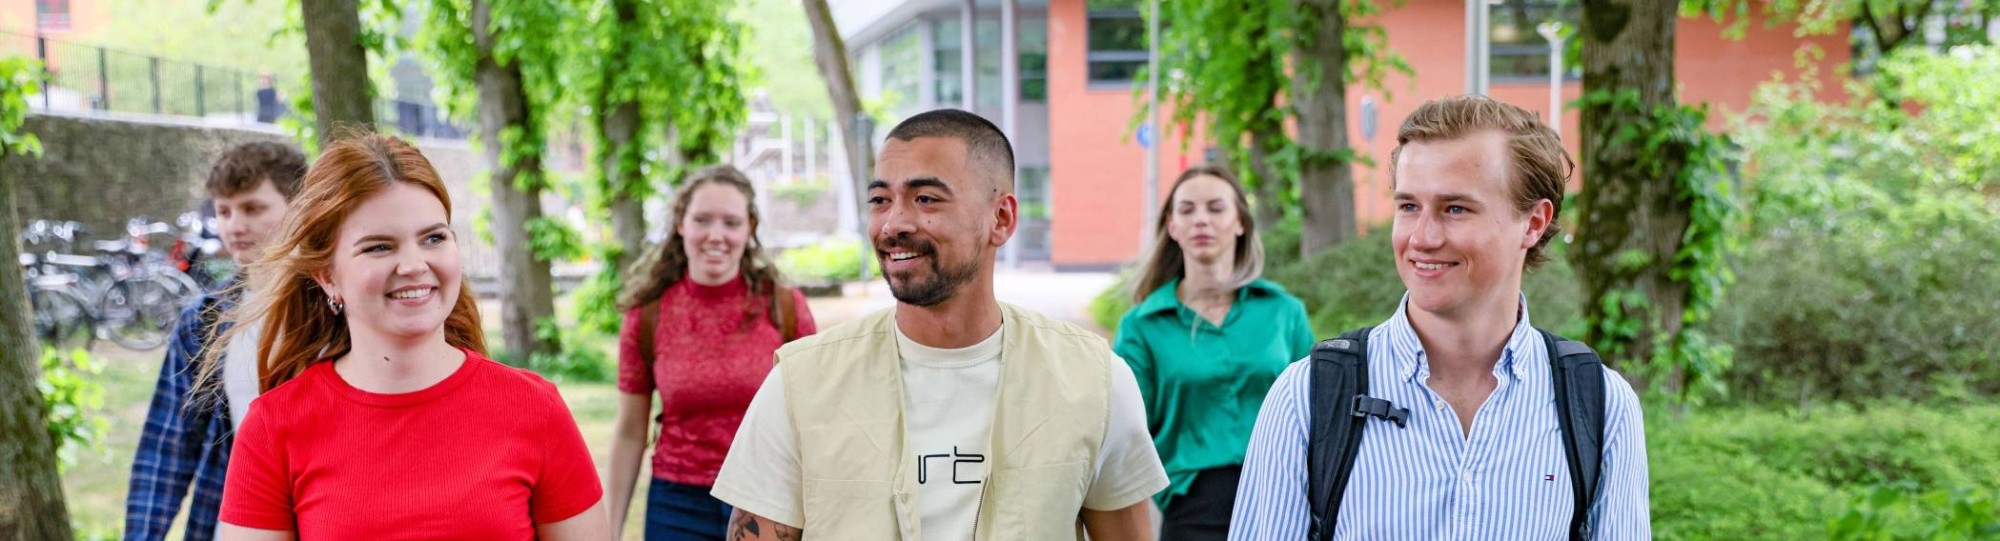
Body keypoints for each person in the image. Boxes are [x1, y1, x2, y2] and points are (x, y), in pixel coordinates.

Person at [711, 109, 1169, 540]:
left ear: (1002, 218)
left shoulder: (1094, 381)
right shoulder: (800, 384)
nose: (893, 223)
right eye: (879, 199)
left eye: (925, 198)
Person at [1228, 95, 1651, 540]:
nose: (1423, 238)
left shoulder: (1600, 405)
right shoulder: (1307, 397)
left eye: (1455, 209)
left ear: (1533, 223)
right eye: (1408, 206)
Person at [210, 135, 607, 540]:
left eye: (434, 238)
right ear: (328, 275)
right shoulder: (274, 427)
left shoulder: (533, 408)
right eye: (379, 246)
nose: (415, 265)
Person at [603, 164, 818, 540]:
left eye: (731, 223)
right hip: (677, 502)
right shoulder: (648, 315)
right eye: (702, 220)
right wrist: (610, 529)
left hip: (766, 499)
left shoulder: (784, 307)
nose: (716, 236)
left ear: (749, 228)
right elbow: (629, 431)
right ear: (681, 223)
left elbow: (816, 418)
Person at [1112, 165, 1315, 540]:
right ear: (1172, 227)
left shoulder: (1284, 312)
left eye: (1216, 208)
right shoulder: (1141, 326)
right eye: (1187, 210)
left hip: (1284, 501)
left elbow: (1314, 413)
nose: (1201, 220)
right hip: (1193, 508)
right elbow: (1126, 435)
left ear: (1240, 222)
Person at [125, 141, 306, 541]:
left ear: (300, 206)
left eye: (252, 208)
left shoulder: (341, 310)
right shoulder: (205, 321)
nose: (234, 226)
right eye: (223, 211)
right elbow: (166, 449)